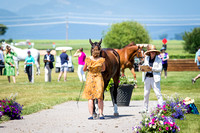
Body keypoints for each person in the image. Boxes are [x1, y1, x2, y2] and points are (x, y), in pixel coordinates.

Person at [82, 46, 106, 120]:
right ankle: (101, 114)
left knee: (90, 97)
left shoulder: (88, 59)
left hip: (90, 78)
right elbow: (104, 69)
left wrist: (90, 69)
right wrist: (97, 70)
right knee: (100, 97)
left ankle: (91, 115)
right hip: (98, 77)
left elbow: (84, 69)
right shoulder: (102, 60)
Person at [141, 45, 164, 113]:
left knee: (158, 93)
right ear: (149, 53)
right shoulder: (146, 58)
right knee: (146, 94)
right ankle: (145, 108)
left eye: (154, 52)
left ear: (155, 53)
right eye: (151, 52)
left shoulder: (159, 59)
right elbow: (145, 66)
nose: (152, 53)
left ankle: (162, 108)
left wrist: (152, 69)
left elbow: (160, 69)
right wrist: (142, 67)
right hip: (147, 78)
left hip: (155, 79)